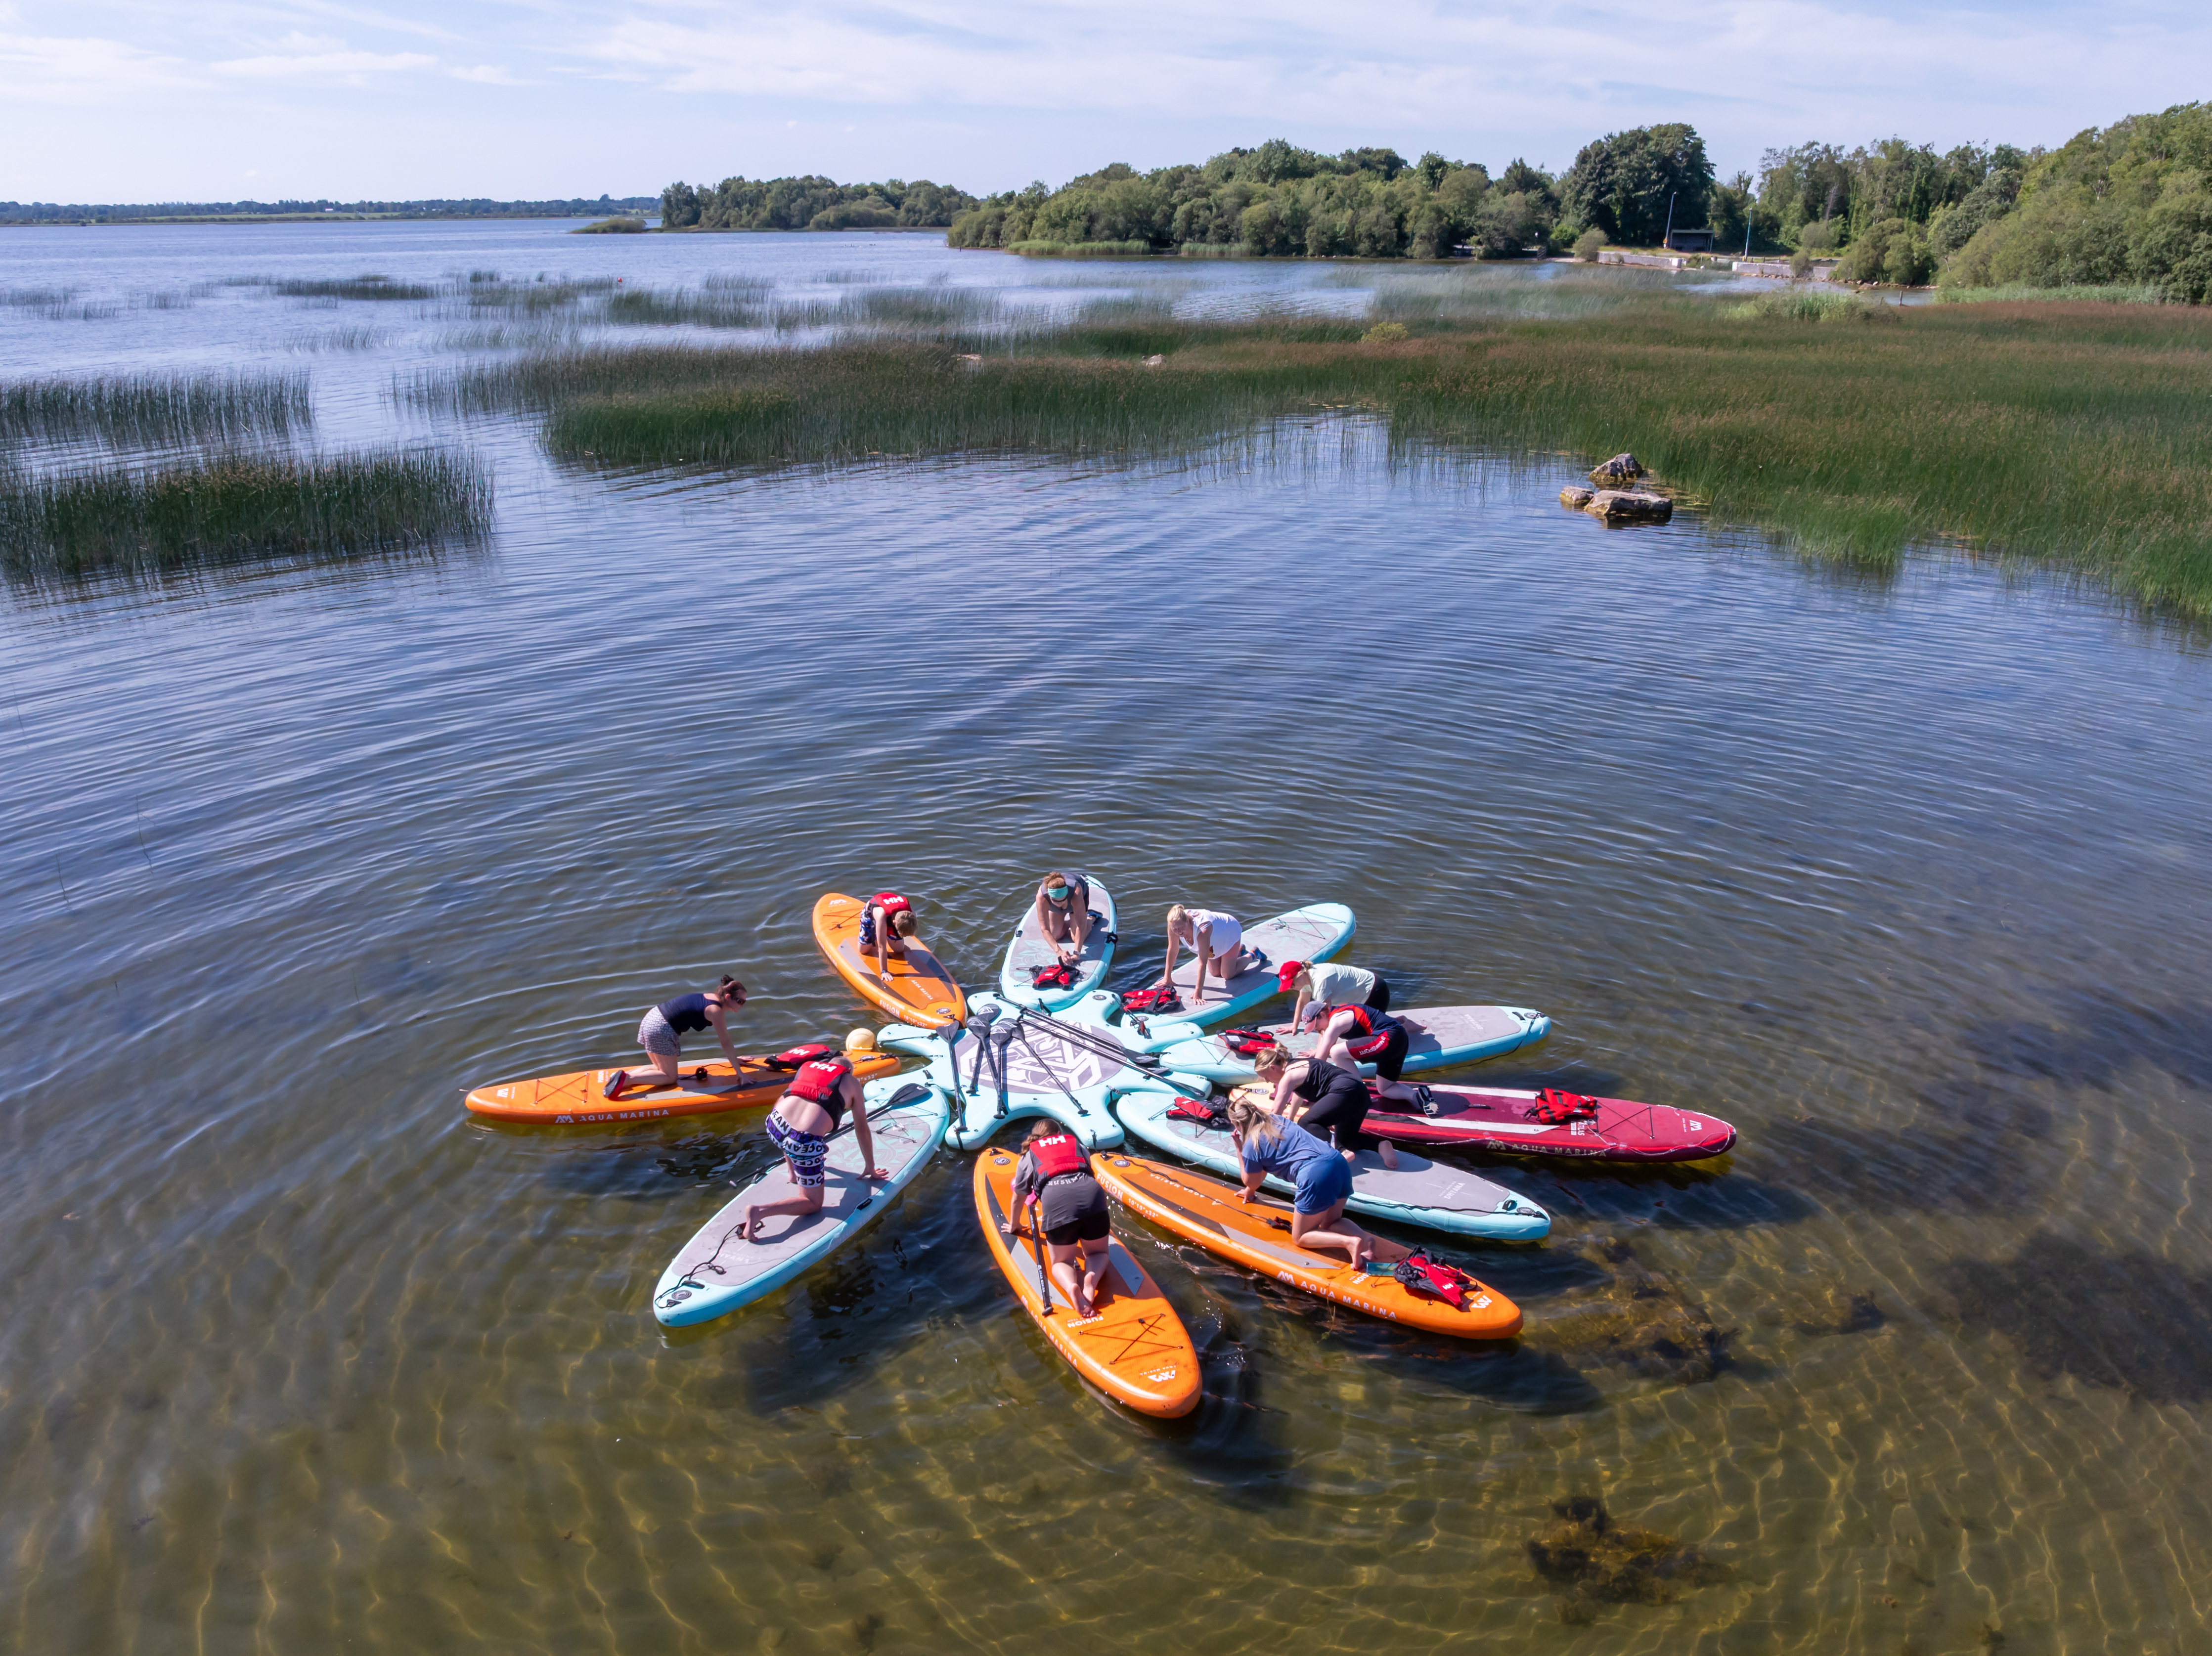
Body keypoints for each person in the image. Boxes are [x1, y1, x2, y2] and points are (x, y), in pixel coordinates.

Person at [1223, 1092, 1406, 1268]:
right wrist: (1251, 1192)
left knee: (1300, 1237)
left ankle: (1349, 1242)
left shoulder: (1250, 1145)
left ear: (1237, 1124)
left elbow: (1250, 1180)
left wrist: (1239, 1148)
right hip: (1337, 1161)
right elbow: (1263, 1166)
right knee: (1330, 1223)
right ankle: (1366, 1241)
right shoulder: (1279, 1121)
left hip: (1315, 1174)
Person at [744, 1054, 888, 1240]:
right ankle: (760, 1211)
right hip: (803, 1142)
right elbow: (861, 1128)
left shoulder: (807, 1068)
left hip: (774, 1125)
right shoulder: (851, 1082)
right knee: (813, 1203)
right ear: (849, 1072)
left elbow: (784, 1100)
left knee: (793, 1132)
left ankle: (793, 1173)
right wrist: (870, 1166)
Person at [998, 1120, 1114, 1316]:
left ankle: (1071, 1287)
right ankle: (1091, 1281)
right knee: (1098, 1254)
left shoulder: (1029, 1155)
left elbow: (1019, 1197)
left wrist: (1015, 1225)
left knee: (1062, 1263)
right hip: (1092, 1196)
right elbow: (1087, 1171)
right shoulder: (1077, 1145)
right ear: (1059, 1133)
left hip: (1056, 1201)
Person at [1249, 1042, 1400, 1169]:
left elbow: (1275, 1113)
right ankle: (1381, 1146)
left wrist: (1256, 1139)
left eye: (1266, 1077)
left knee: (1307, 1122)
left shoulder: (1288, 1077)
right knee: (1347, 1139)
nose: (1268, 1082)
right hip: (1360, 1093)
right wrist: (1290, 1118)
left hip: (1344, 1092)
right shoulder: (1300, 1062)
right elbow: (1299, 1094)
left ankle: (1335, 1156)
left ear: (1273, 1068)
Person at [606, 976, 747, 1100]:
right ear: (728, 997)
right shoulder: (715, 1011)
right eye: (740, 1001)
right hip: (661, 1029)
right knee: (670, 1077)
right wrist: (740, 1074)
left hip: (652, 1018)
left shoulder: (712, 998)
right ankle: (627, 1080)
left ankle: (620, 1077)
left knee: (658, 1068)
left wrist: (734, 1060)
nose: (742, 1005)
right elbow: (726, 1043)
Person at [1305, 1001, 1432, 1111]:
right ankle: (1419, 1096)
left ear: (1322, 1015)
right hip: (1399, 1039)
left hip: (1388, 1039)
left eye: (1316, 1025)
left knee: (1336, 1052)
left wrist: (1303, 1087)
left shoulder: (1336, 1022)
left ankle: (1360, 1096)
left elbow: (1319, 1062)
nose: (1316, 1030)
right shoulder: (1338, 1012)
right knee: (1386, 1089)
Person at [1155, 904, 1264, 1008]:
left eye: (1181, 928)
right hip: (1214, 942)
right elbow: (1173, 949)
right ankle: (1238, 952)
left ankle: (1253, 954)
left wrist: (1198, 992)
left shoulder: (1202, 930)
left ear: (1188, 921)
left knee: (1227, 974)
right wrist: (1167, 977)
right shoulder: (1174, 923)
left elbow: (1202, 963)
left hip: (1229, 932)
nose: (1178, 932)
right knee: (1215, 973)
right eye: (1175, 929)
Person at [1279, 959, 1389, 1032]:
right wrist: (1295, 1026)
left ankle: (1404, 1026)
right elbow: (1302, 1001)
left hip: (1374, 991)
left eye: (1292, 984)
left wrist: (1319, 1050)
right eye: (1289, 986)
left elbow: (1325, 1019)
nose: (1291, 988)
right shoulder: (1306, 978)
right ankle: (1401, 1021)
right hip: (1365, 992)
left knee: (1371, 1034)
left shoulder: (1320, 982)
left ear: (1301, 974)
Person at [1032, 871, 1094, 967]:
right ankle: (1070, 922)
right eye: (1056, 901)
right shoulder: (1042, 897)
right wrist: (1059, 952)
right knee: (1054, 936)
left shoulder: (1076, 893)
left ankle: (1091, 918)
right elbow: (1045, 929)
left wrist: (1077, 952)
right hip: (1056, 907)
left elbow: (1081, 927)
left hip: (1075, 901)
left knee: (1075, 937)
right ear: (1049, 896)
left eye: (1063, 900)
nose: (1061, 904)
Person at [858, 890, 921, 981]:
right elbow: (882, 946)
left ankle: (883, 934)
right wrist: (884, 971)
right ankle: (877, 934)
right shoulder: (881, 917)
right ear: (894, 923)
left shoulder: (911, 915)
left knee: (899, 950)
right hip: (871, 915)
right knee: (863, 951)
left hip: (892, 915)